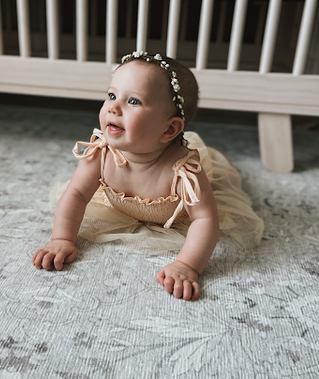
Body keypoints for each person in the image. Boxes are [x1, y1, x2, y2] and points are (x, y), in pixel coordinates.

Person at [33, 51, 264, 301]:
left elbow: (206, 220)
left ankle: (219, 155)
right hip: (119, 211)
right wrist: (61, 238)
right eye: (112, 95)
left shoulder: (183, 171)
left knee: (219, 169)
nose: (113, 107)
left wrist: (187, 265)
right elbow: (76, 195)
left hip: (175, 217)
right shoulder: (101, 154)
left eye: (133, 101)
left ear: (169, 129)